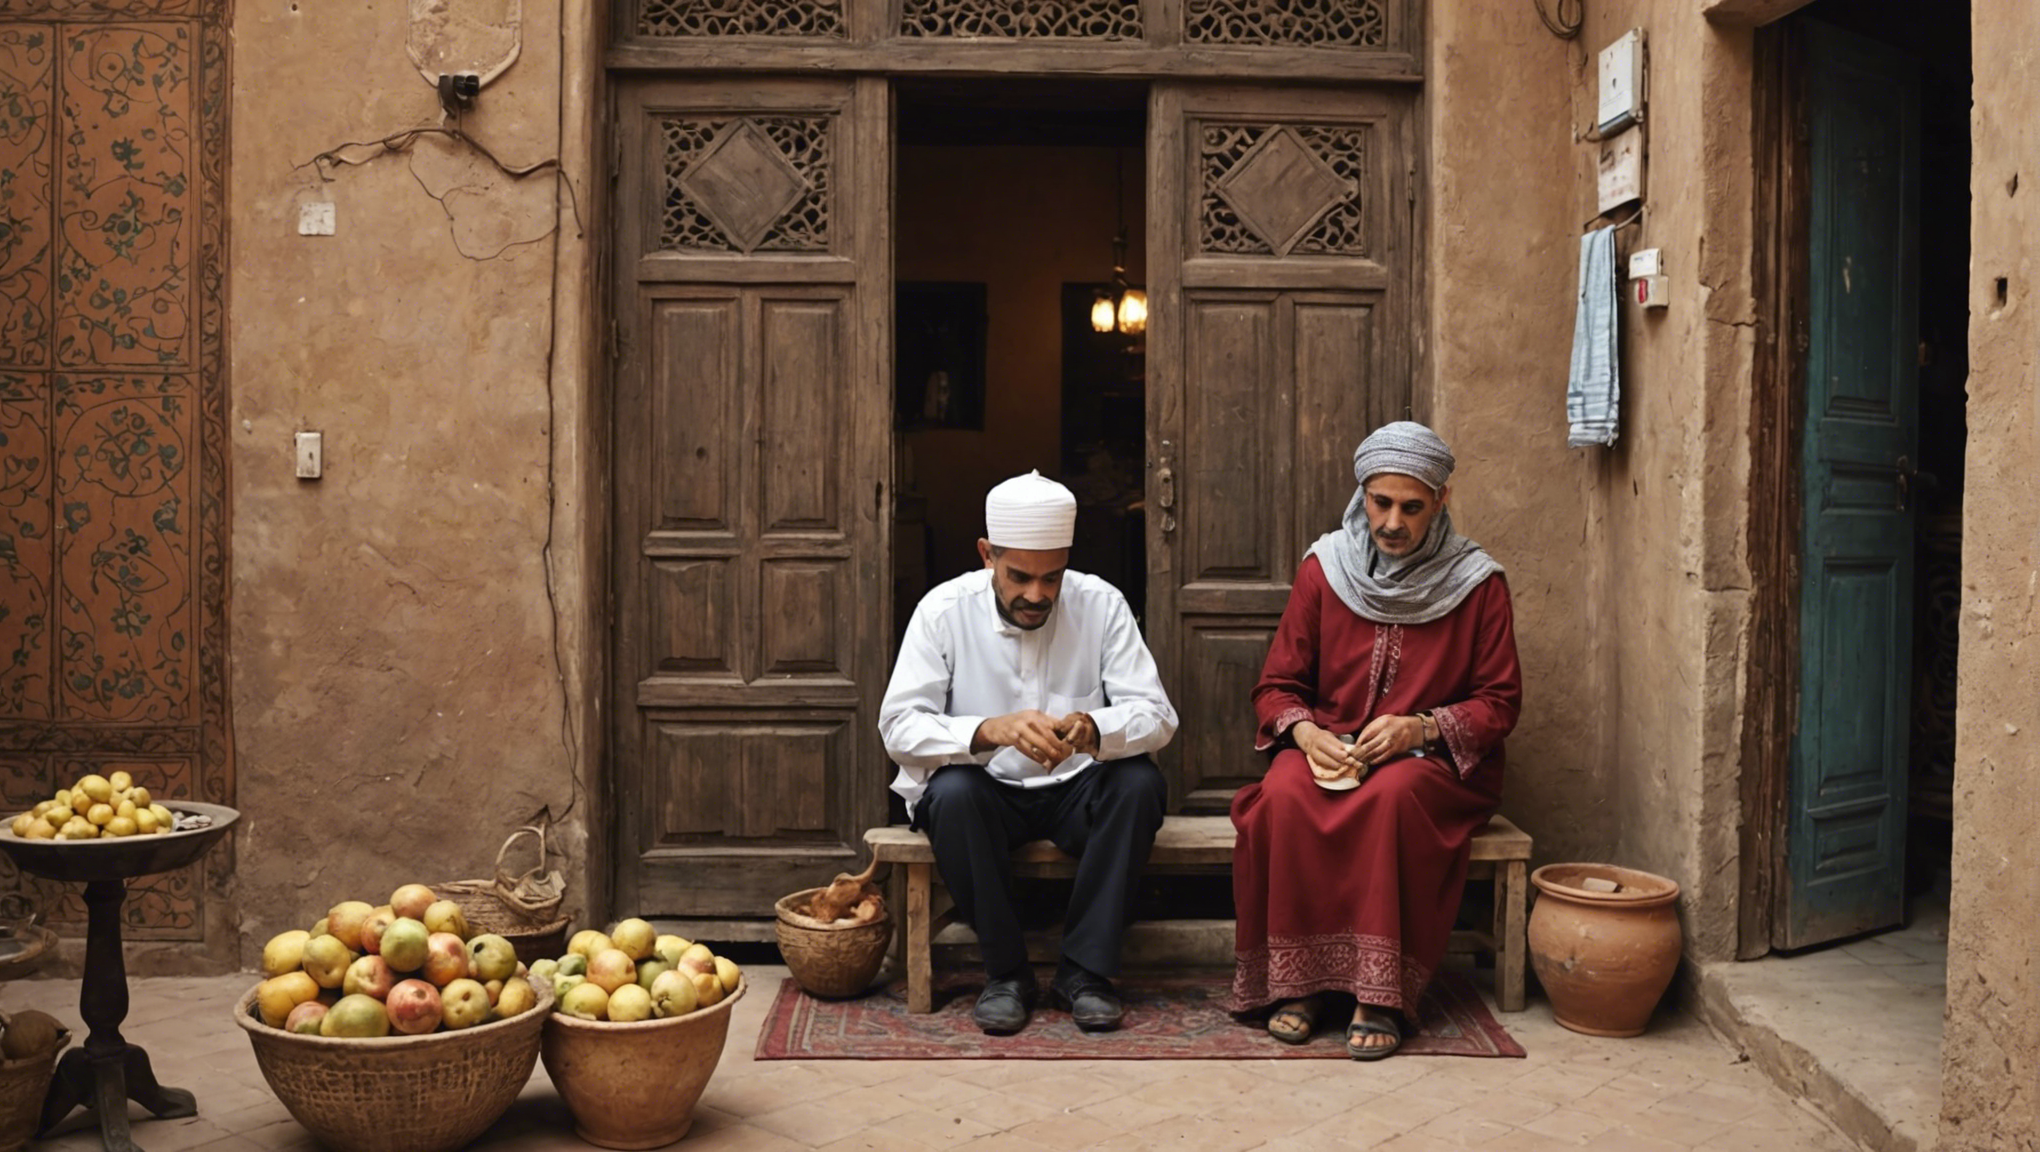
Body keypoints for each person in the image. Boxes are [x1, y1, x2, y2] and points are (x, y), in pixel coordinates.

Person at [1230, 422, 1522, 1059]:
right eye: (1380, 503)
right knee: (1281, 793)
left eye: (1411, 507)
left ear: (1441, 501)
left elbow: (1499, 702)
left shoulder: (1477, 583)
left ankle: (1379, 995)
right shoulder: (1325, 569)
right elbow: (1277, 685)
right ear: (1362, 494)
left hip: (1435, 765)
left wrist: (1420, 727)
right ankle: (1298, 985)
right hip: (1329, 751)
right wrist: (1305, 734)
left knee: (1392, 797)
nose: (1392, 522)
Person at [880, 470, 1177, 1036]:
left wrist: (1096, 728)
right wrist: (989, 730)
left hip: (1076, 792)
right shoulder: (943, 610)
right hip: (987, 793)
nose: (1037, 595)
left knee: (1138, 784)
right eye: (1019, 577)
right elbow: (897, 727)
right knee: (951, 792)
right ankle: (1007, 976)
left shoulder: (1102, 605)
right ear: (987, 554)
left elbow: (1157, 716)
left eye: (1052, 578)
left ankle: (1085, 974)